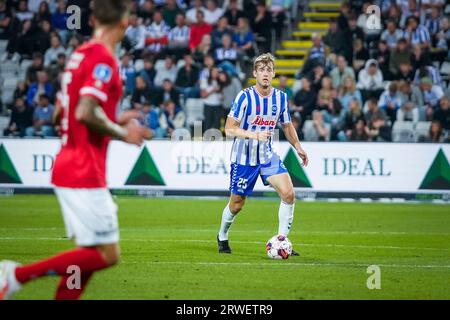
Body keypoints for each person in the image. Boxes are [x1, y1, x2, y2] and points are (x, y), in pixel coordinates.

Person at [0, 0, 151, 301]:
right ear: (125, 22)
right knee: (108, 255)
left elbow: (61, 113)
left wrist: (109, 116)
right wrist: (123, 132)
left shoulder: (77, 56)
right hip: (84, 169)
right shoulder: (103, 59)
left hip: (68, 163)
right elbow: (83, 112)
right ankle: (15, 275)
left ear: (93, 19)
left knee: (86, 256)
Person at [217, 53, 309, 256]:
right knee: (237, 204)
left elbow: (286, 125)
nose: (265, 74)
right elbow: (230, 129)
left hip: (267, 155)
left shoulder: (281, 98)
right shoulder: (244, 96)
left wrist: (298, 146)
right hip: (243, 158)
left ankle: (282, 241)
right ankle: (222, 235)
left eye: (269, 70)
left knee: (288, 194)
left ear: (274, 73)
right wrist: (254, 134)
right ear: (255, 73)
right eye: (261, 70)